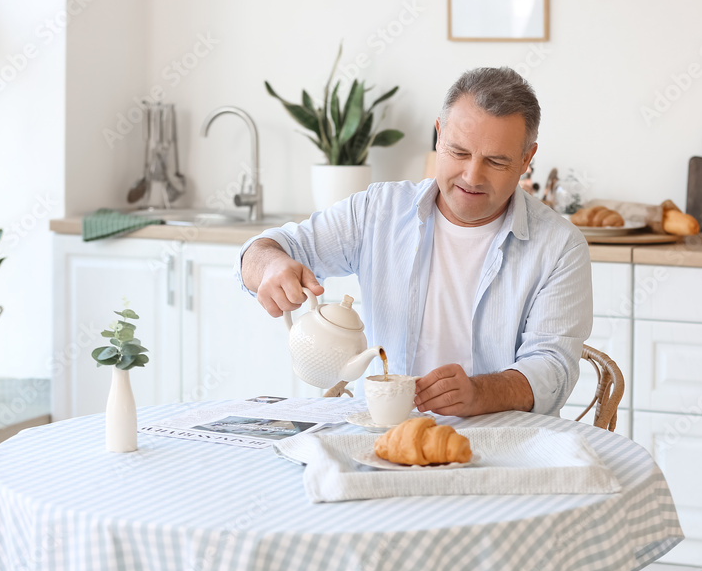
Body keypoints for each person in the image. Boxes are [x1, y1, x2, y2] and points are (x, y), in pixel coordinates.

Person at [239, 67, 593, 417]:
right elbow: (262, 250)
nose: (472, 176)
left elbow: (554, 369)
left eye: (496, 161)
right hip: (383, 437)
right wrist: (270, 264)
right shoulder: (378, 211)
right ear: (439, 135)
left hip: (506, 447)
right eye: (458, 152)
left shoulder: (560, 247)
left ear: (526, 159)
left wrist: (479, 393)